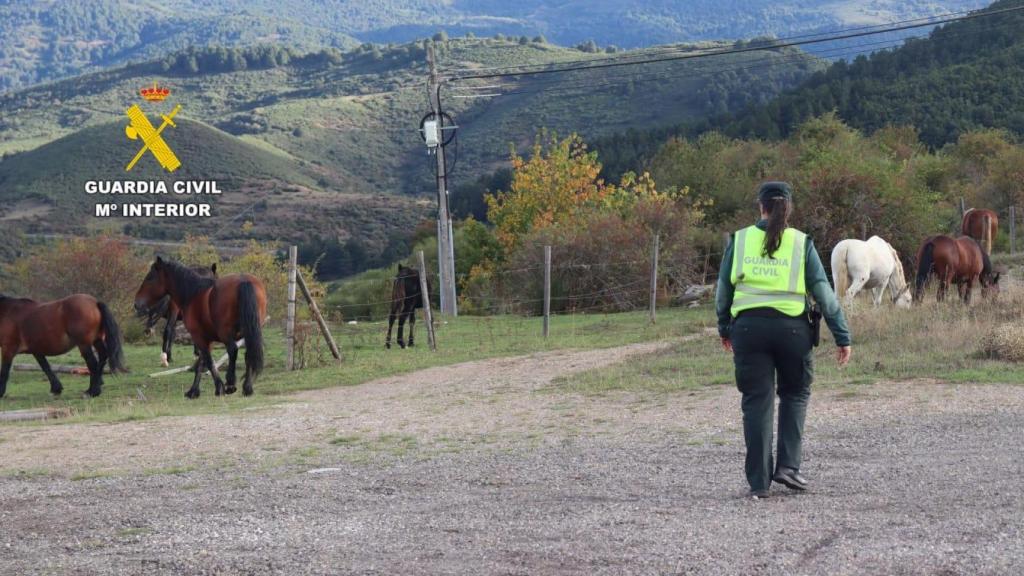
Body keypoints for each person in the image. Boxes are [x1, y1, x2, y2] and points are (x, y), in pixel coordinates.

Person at [716, 181, 852, 500]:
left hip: (748, 330)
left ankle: (759, 482)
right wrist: (841, 335)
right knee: (795, 393)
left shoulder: (739, 240)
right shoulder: (801, 242)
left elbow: (723, 292)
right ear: (788, 208)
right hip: (793, 331)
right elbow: (824, 294)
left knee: (756, 401)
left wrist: (724, 328)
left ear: (759, 207)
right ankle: (788, 468)